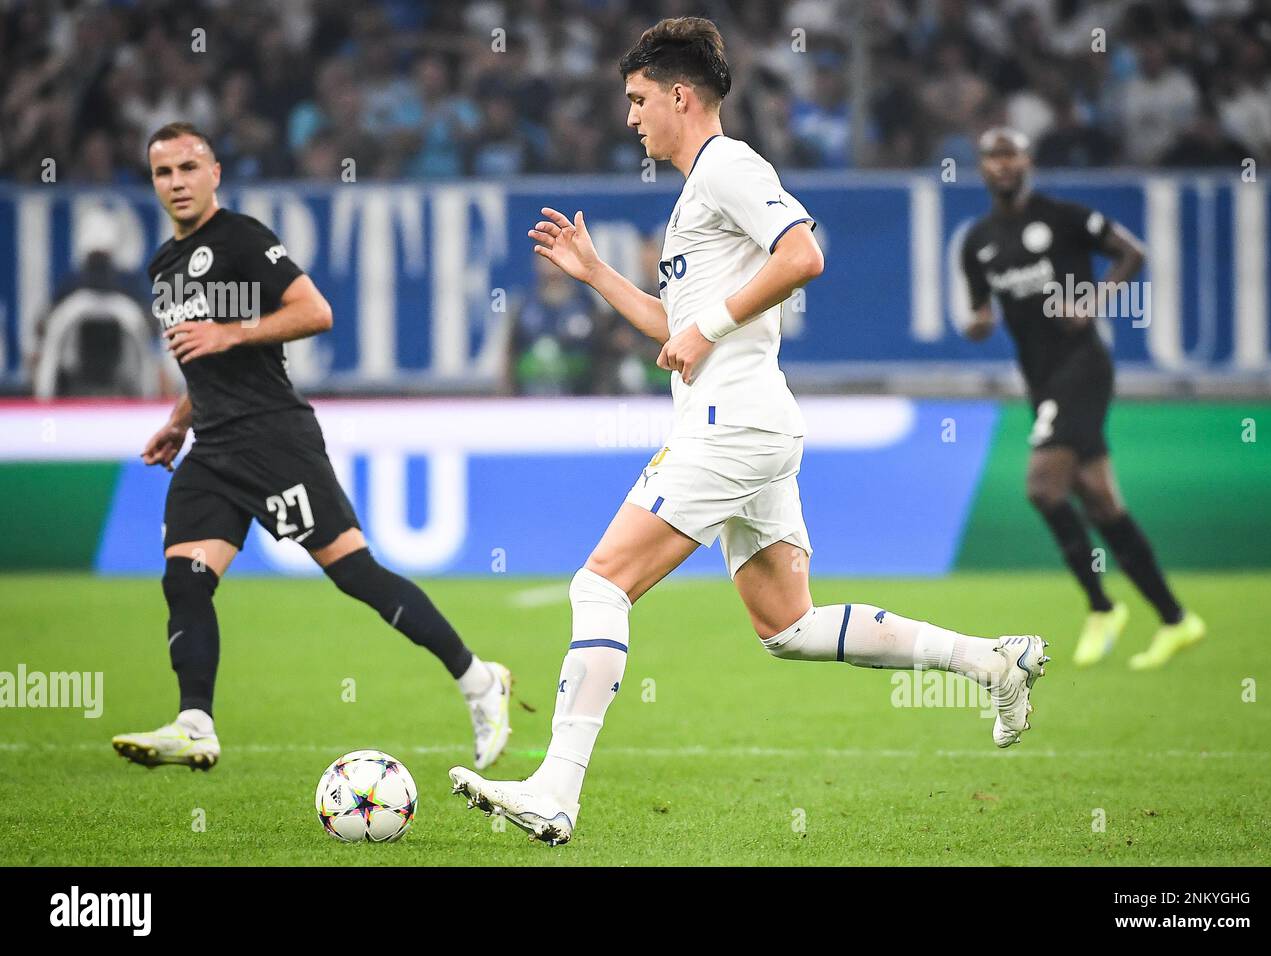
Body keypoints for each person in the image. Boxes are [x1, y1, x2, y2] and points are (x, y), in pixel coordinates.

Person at [447, 19, 1048, 847]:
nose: (630, 119)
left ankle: (556, 789)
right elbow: (677, 328)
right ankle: (990, 660)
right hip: (747, 421)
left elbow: (803, 255)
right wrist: (596, 274)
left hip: (733, 424)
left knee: (600, 586)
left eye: (637, 100)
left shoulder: (728, 166)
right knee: (787, 627)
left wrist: (709, 328)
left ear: (680, 95)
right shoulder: (698, 191)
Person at [111, 123, 512, 771]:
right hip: (212, 447)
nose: (178, 182)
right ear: (152, 182)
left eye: (189, 167)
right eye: (164, 173)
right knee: (184, 580)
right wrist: (181, 420)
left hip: (274, 439)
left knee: (354, 573)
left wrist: (230, 331)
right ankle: (195, 723)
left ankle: (478, 680)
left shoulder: (242, 239)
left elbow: (315, 311)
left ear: (214, 172)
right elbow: (202, 357)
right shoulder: (163, 266)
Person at [960, 127, 1205, 671]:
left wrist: (1095, 297)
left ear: (1027, 161)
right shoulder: (977, 241)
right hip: (1042, 380)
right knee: (1100, 500)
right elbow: (981, 309)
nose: (1001, 165)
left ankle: (1101, 606)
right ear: (981, 168)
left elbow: (1130, 253)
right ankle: (1175, 618)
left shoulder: (1065, 217)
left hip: (1083, 368)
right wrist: (978, 322)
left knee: (1043, 488)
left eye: (1010, 154)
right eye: (991, 156)